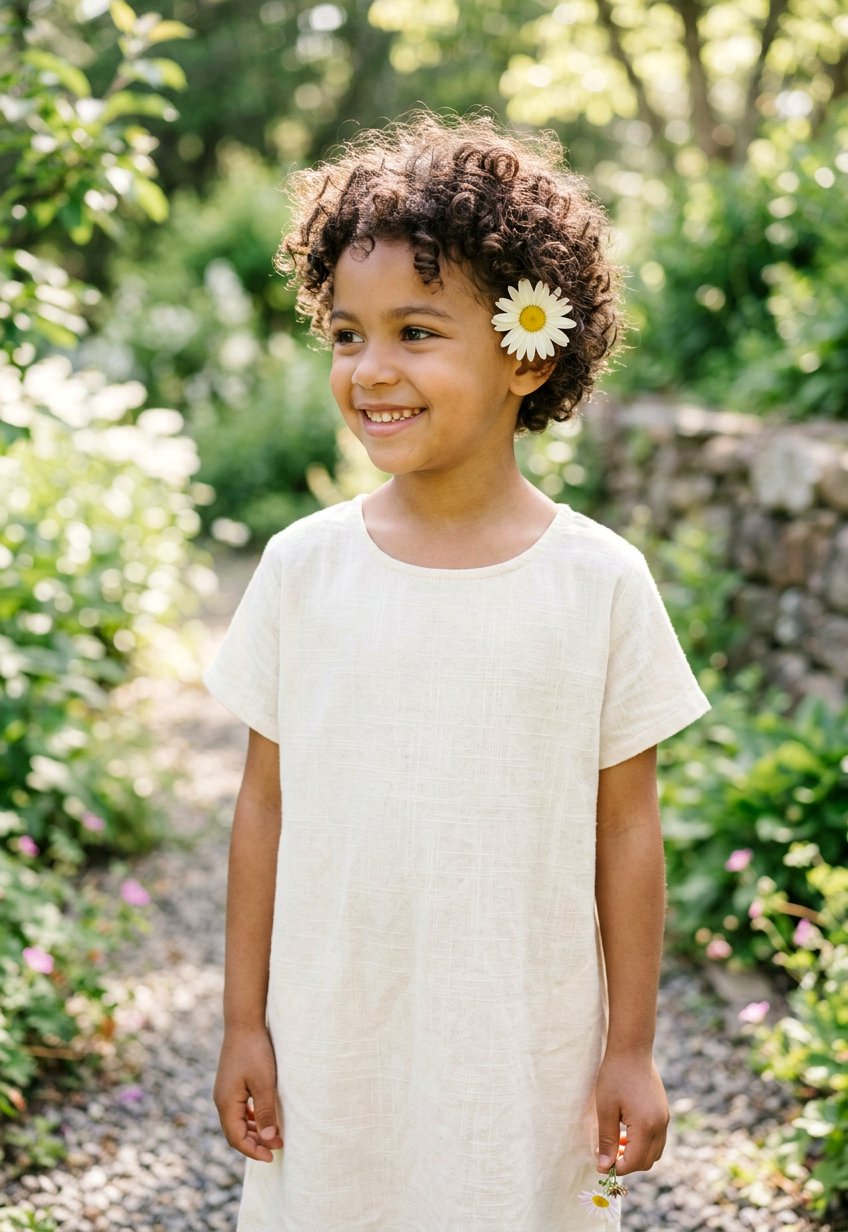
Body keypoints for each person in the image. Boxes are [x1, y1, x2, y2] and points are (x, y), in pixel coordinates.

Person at [203, 110, 711, 1232]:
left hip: (518, 1059)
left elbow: (626, 828)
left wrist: (628, 1048)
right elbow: (263, 807)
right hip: (333, 1039)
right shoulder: (302, 569)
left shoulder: (598, 582)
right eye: (345, 334)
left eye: (415, 332)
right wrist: (244, 1023)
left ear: (527, 353)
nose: (370, 369)